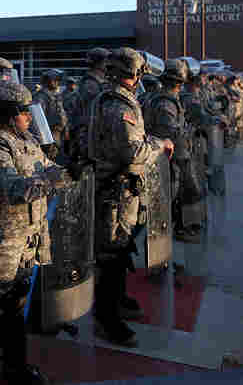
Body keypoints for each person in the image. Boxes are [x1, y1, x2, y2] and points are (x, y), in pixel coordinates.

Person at [0, 80, 68, 385]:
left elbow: (48, 168)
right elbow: (13, 189)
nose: (30, 117)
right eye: (24, 112)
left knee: (14, 308)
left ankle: (14, 369)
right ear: (9, 115)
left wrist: (70, 170)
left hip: (25, 240)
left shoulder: (25, 140)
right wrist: (58, 176)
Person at [88, 47, 173, 347]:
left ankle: (117, 302)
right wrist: (160, 147)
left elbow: (136, 141)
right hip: (115, 192)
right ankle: (106, 319)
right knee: (111, 257)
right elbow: (132, 153)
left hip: (123, 190)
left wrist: (153, 142)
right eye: (138, 74)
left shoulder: (119, 100)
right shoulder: (118, 106)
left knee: (121, 251)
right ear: (132, 74)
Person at [143, 59, 198, 243]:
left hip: (173, 156)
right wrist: (188, 132)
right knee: (170, 195)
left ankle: (170, 232)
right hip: (170, 157)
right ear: (178, 82)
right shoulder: (166, 101)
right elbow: (169, 131)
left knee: (175, 194)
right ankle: (163, 236)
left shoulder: (166, 98)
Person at [68, 47, 110, 162]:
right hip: (89, 137)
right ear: (100, 63)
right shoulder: (90, 84)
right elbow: (92, 113)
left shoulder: (99, 82)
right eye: (106, 61)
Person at [33, 69, 67, 161]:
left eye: (58, 80)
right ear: (47, 81)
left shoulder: (55, 95)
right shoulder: (41, 97)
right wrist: (46, 141)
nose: (57, 82)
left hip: (57, 135)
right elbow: (38, 120)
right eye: (54, 79)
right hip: (48, 137)